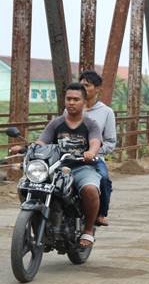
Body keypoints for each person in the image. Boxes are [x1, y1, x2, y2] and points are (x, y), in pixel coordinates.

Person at [36, 83, 102, 247]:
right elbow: (42, 141)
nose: (71, 102)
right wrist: (29, 147)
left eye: (76, 99)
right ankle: (38, 227)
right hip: (56, 167)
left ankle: (88, 229)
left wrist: (91, 152)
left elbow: (95, 141)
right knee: (31, 186)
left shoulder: (90, 124)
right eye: (68, 99)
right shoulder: (56, 123)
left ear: (84, 102)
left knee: (90, 189)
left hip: (82, 167)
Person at [79, 70, 117, 226]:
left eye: (87, 85)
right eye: (80, 85)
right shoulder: (71, 108)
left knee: (104, 178)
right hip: (69, 156)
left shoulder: (106, 112)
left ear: (98, 88)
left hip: (94, 157)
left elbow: (110, 142)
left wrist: (94, 152)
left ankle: (101, 213)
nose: (83, 89)